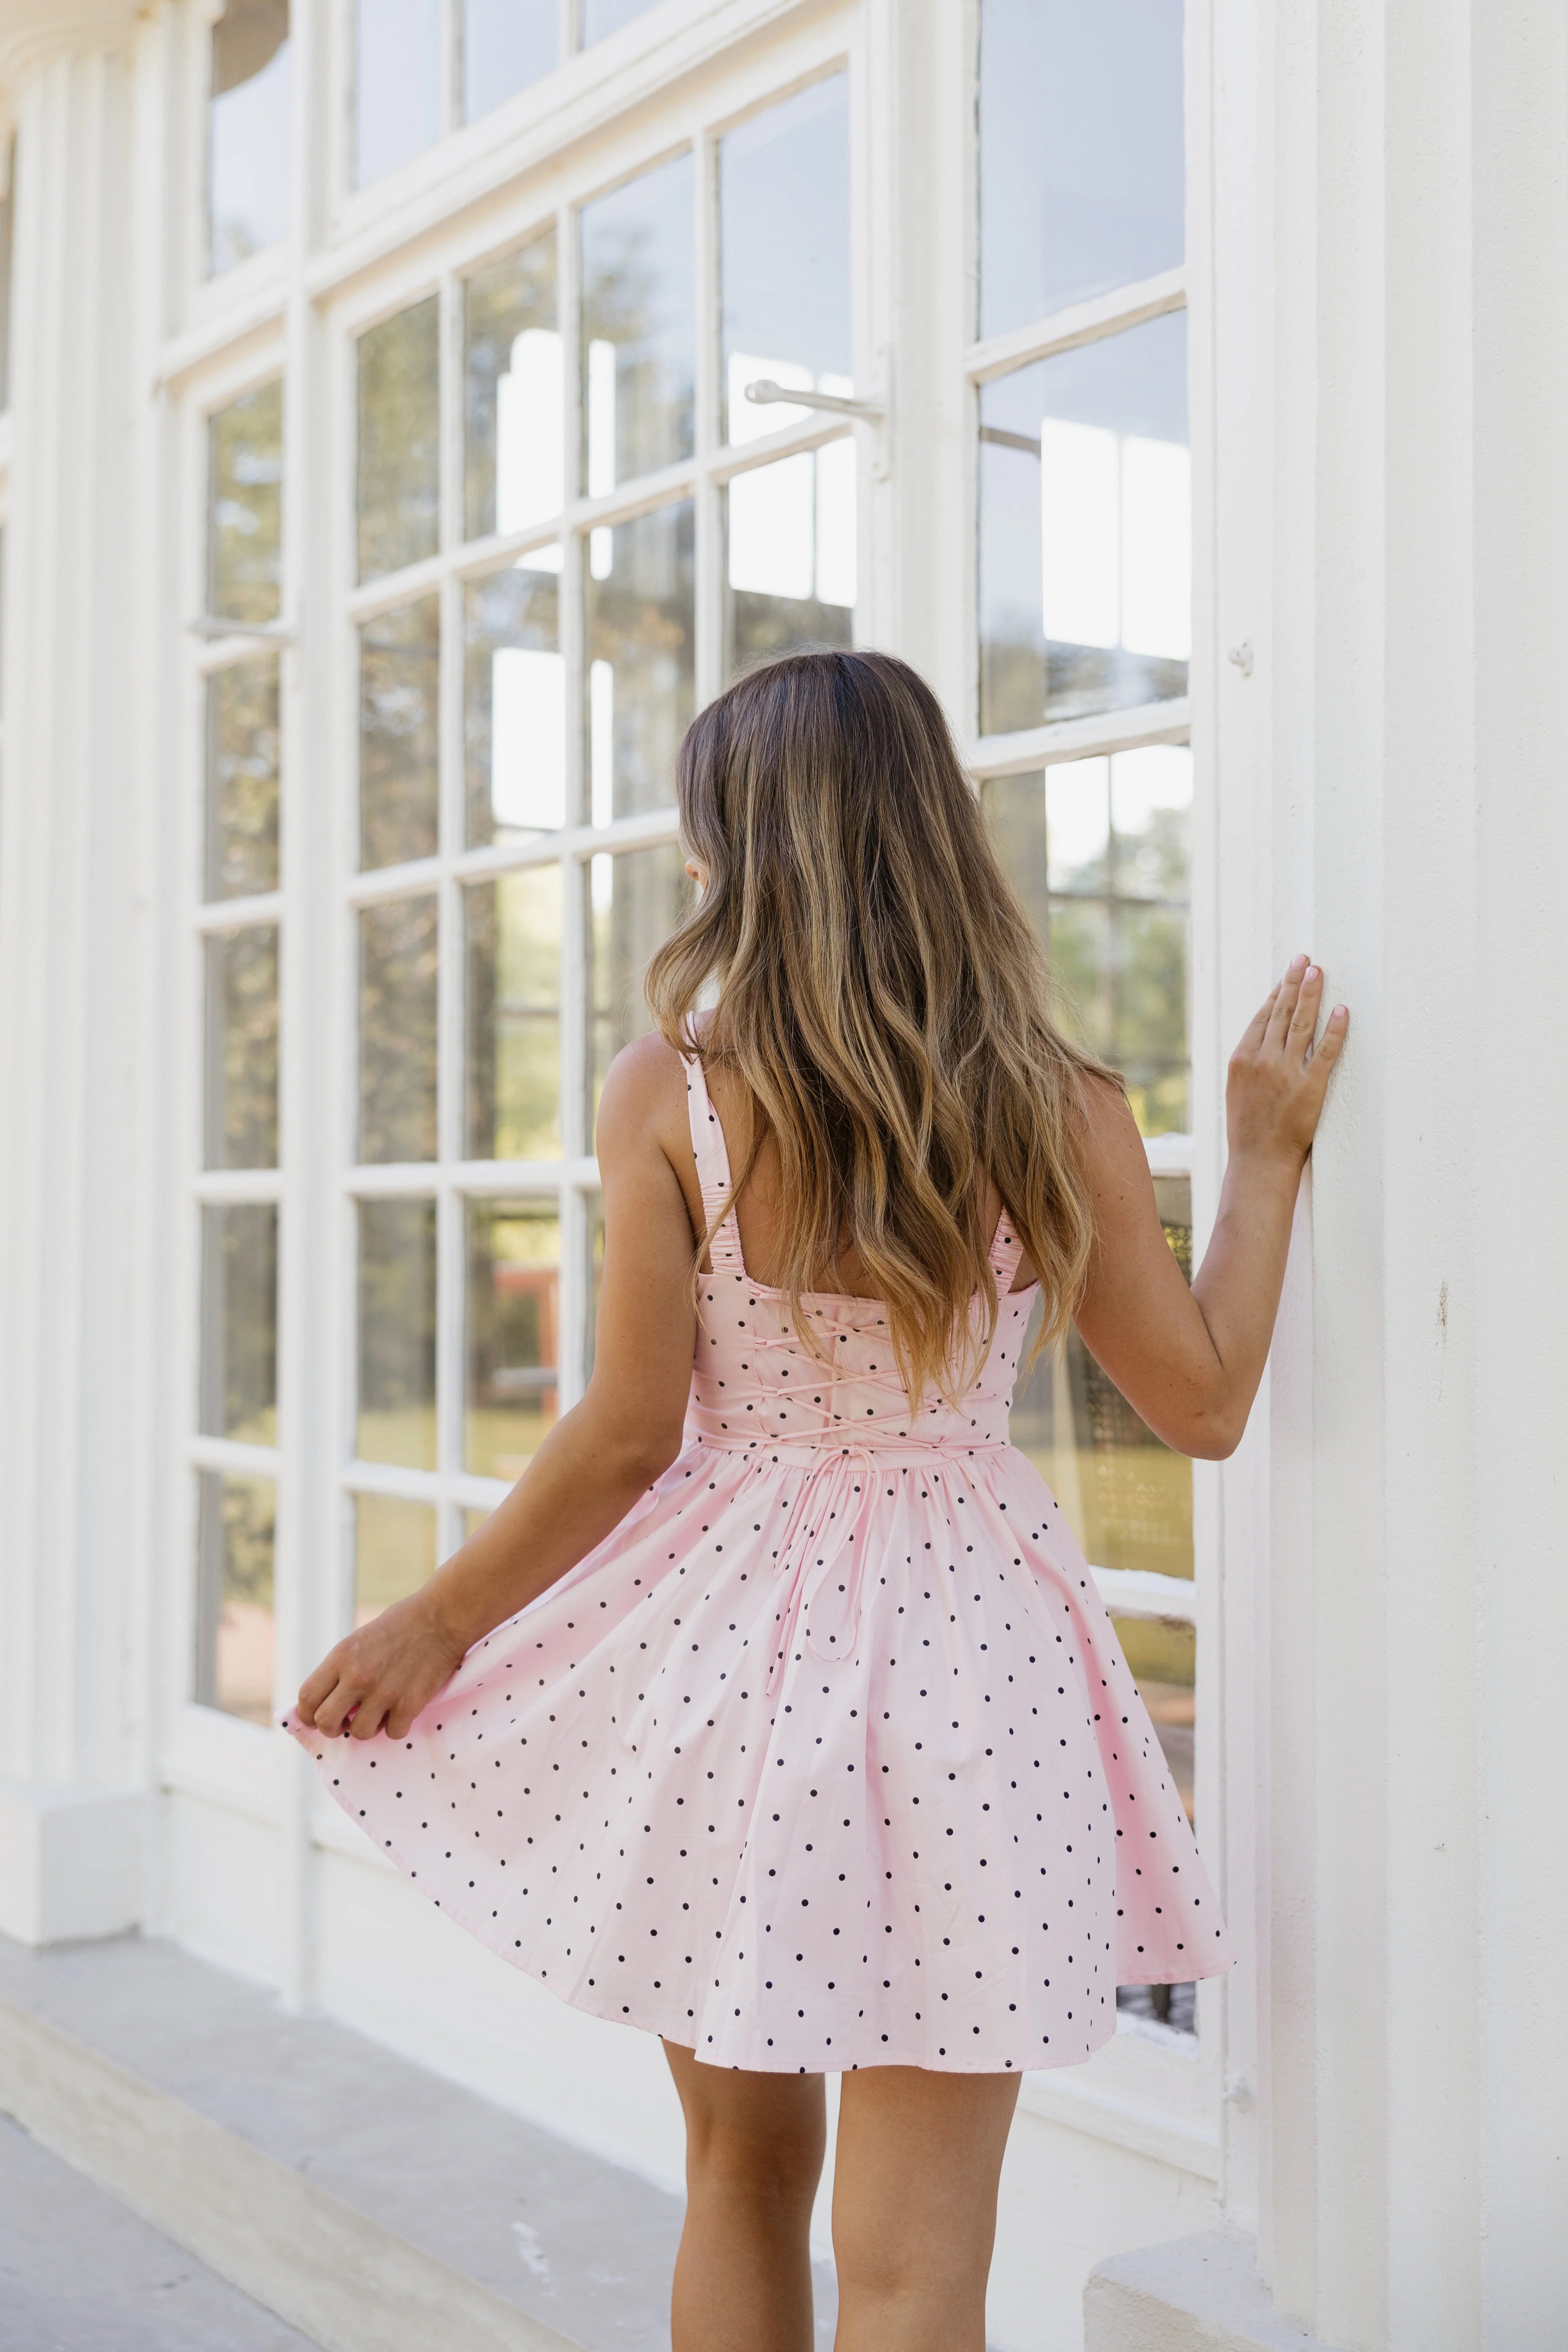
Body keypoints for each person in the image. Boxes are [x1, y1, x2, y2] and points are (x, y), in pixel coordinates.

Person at [287, 649, 1347, 2352]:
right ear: (937, 832)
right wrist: (1269, 1158)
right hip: (972, 1673)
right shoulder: (1065, 1106)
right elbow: (1206, 1402)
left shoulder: (673, 1097)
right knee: (924, 2264)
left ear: (747, 852)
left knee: (738, 2169)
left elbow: (628, 1433)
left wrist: (439, 1616)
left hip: (726, 1670)